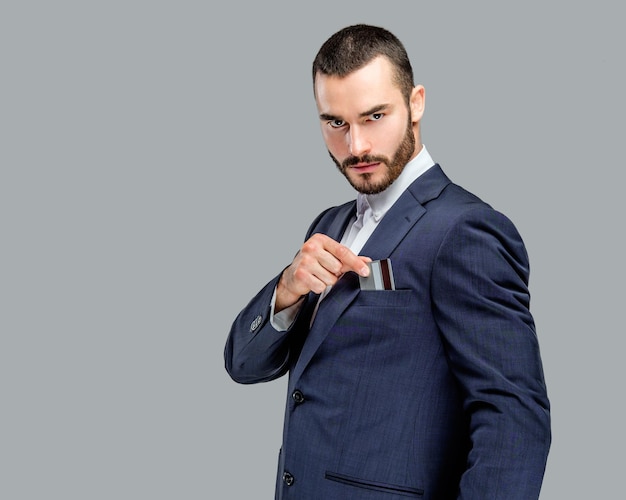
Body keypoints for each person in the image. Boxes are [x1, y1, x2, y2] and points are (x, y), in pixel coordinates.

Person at [225, 24, 550, 499]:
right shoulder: (330, 224)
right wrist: (288, 290)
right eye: (335, 122)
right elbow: (243, 364)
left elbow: (515, 421)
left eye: (374, 116)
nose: (355, 146)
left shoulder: (466, 231)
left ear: (416, 103)